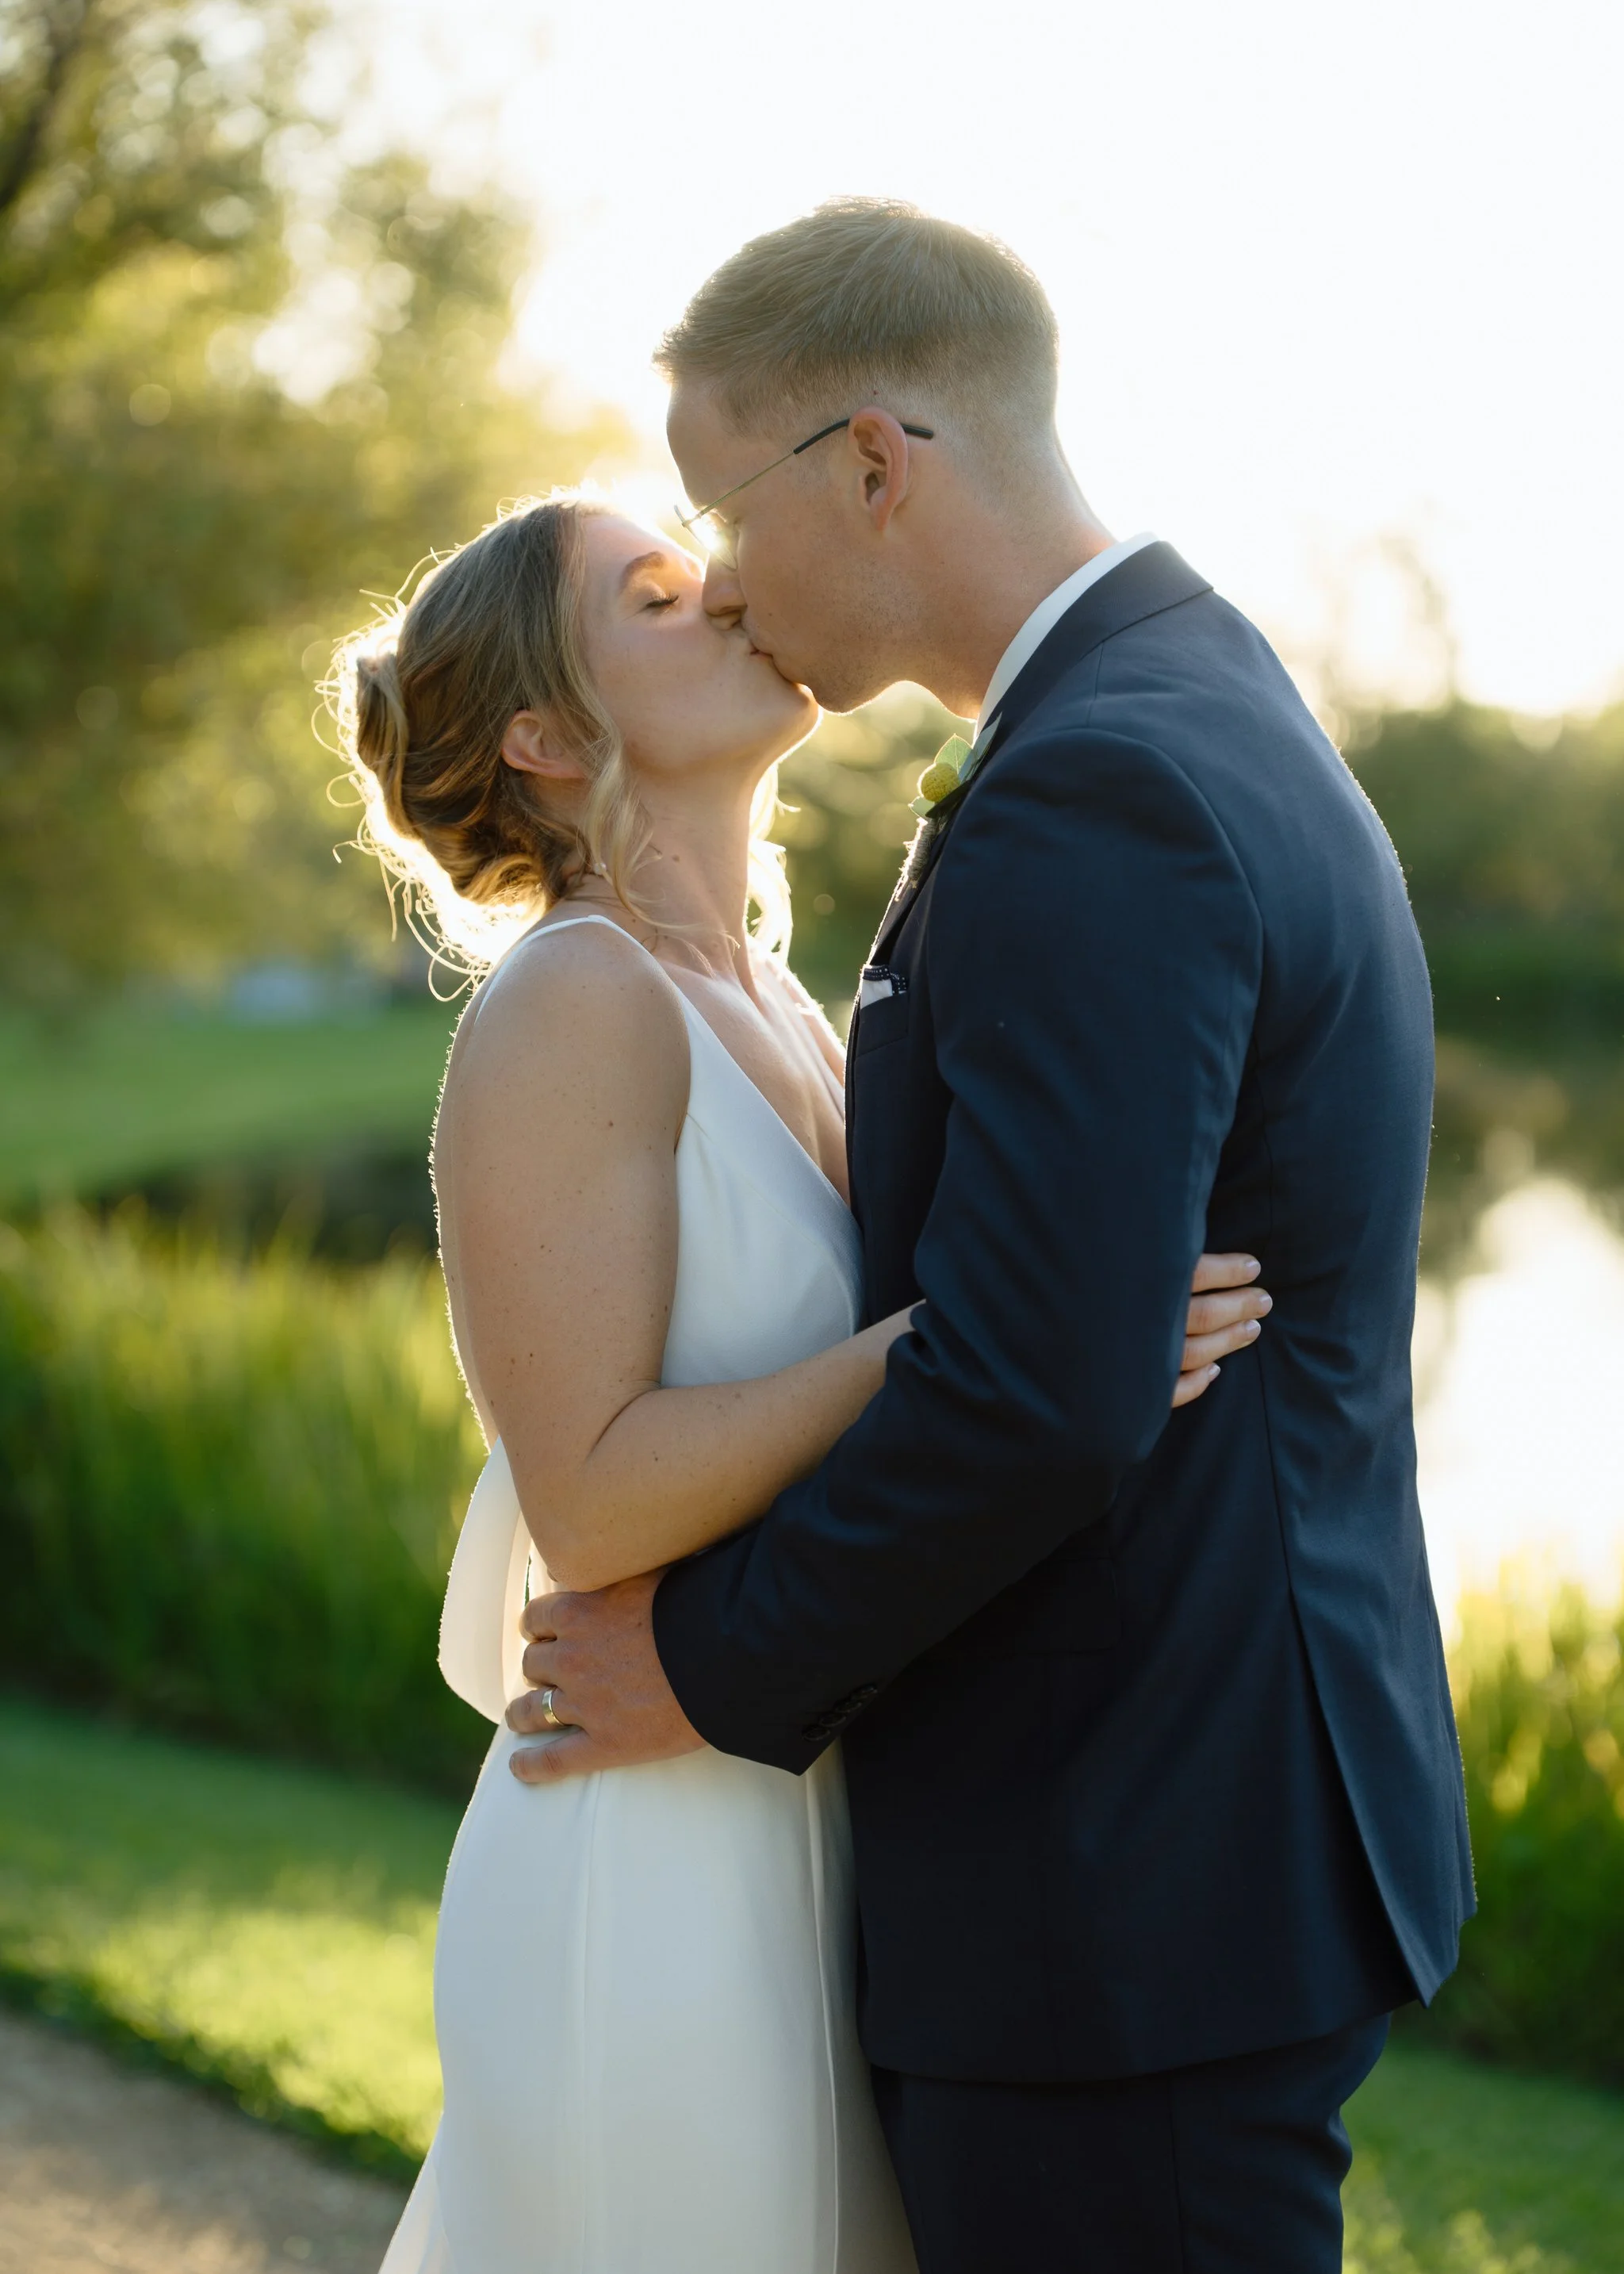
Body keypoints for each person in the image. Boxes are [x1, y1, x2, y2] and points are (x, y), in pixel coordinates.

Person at [505, 201, 1476, 2272]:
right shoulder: (1174, 700)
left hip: (1117, 1871)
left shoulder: (1095, 783)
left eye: (720, 508)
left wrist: (696, 1663)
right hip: (1174, 1845)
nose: (733, 584)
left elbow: (1042, 1384)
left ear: (873, 460)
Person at [335, 491, 1269, 2274]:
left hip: (813, 1789)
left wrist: (1063, 1347)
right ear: (545, 732)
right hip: (656, 1853)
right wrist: (994, 1337)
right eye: (661, 596)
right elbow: (593, 1494)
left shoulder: (772, 991)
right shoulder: (571, 1005)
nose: (737, 594)